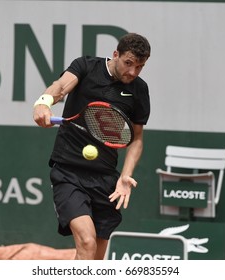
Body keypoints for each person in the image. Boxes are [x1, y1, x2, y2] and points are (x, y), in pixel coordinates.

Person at [33, 33, 151, 260]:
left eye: (140, 67)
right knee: (86, 242)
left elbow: (136, 139)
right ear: (116, 55)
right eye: (128, 63)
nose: (133, 72)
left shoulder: (139, 90)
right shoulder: (86, 66)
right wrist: (44, 102)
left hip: (105, 178)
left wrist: (125, 176)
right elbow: (60, 86)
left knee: (93, 259)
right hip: (69, 171)